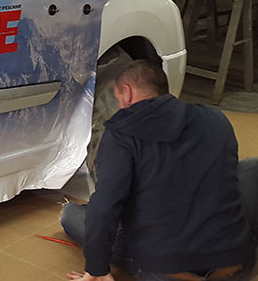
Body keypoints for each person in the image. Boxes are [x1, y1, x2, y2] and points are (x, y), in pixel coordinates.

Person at [61, 60, 255, 281]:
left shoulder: (121, 135)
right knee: (251, 168)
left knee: (71, 215)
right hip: (235, 263)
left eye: (118, 99)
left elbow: (105, 208)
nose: (120, 106)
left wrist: (97, 269)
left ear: (127, 93)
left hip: (168, 270)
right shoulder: (216, 118)